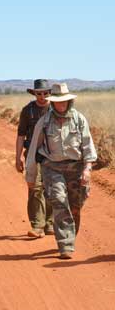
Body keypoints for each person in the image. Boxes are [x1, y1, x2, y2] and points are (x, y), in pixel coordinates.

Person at [25, 83, 97, 259]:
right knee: (59, 200)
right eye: (57, 101)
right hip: (52, 168)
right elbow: (34, 150)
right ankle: (66, 245)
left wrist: (87, 169)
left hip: (76, 168)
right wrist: (31, 175)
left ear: (69, 101)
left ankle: (70, 235)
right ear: (53, 103)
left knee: (75, 206)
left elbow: (88, 146)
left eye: (64, 101)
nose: (61, 105)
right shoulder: (44, 122)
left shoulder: (79, 119)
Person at [16, 79, 54, 238]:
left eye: (45, 93)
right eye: (39, 93)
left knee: (51, 187)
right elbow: (20, 135)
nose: (42, 96)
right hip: (32, 153)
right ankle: (37, 225)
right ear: (34, 93)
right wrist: (17, 158)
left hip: (52, 154)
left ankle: (50, 223)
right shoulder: (28, 110)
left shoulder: (55, 108)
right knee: (35, 187)